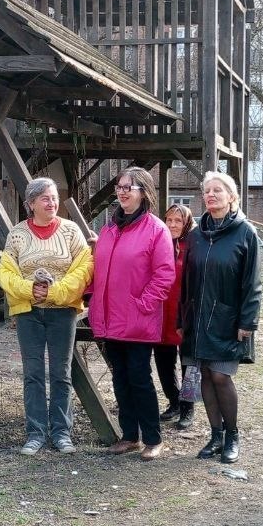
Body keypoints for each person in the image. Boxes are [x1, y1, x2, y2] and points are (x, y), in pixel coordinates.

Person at [0, 177, 94, 456]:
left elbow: (85, 266)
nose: (51, 203)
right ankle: (35, 433)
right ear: (31, 204)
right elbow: (4, 271)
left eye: (53, 198)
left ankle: (62, 433)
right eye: (45, 199)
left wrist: (56, 292)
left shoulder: (71, 231)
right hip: (29, 313)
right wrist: (29, 290)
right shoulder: (16, 234)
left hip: (62, 312)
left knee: (61, 373)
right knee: (34, 373)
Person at [89, 166, 175, 460]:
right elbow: (99, 270)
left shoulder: (156, 229)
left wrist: (143, 305)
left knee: (139, 378)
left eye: (129, 187)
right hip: (111, 319)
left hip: (137, 319)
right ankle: (129, 436)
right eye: (120, 187)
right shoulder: (109, 229)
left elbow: (164, 275)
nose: (122, 192)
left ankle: (153, 438)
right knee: (120, 378)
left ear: (144, 192)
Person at [179, 172, 262, 464]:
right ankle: (214, 436)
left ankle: (232, 435)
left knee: (220, 375)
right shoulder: (196, 236)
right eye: (207, 191)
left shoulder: (245, 233)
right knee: (202, 374)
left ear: (232, 196)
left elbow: (252, 284)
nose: (211, 195)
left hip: (228, 319)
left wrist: (247, 322)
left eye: (218, 190)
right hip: (197, 319)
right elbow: (185, 281)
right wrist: (181, 318)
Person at [155, 202, 196, 431]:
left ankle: (188, 407)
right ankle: (174, 401)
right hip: (162, 313)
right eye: (169, 220)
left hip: (185, 313)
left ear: (186, 223)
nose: (172, 224)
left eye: (178, 220)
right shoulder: (159, 243)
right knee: (163, 362)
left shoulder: (193, 245)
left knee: (188, 364)